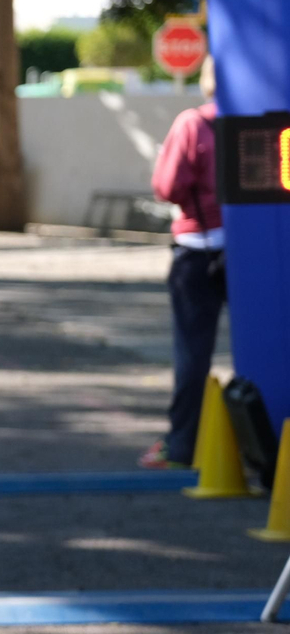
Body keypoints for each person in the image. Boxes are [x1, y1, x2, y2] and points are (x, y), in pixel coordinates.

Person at [141, 56, 226, 470]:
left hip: (199, 249)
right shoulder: (268, 127)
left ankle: (184, 445)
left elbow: (167, 186)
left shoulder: (193, 124)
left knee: (193, 352)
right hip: (253, 254)